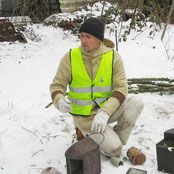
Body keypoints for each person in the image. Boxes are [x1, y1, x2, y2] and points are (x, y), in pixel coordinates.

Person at [50, 17, 144, 166]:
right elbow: (57, 85)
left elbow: (121, 88)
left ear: (99, 39)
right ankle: (98, 139)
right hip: (85, 117)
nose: (83, 41)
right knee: (115, 148)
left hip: (107, 111)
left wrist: (105, 112)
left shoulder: (113, 57)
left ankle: (113, 141)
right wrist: (59, 100)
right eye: (81, 36)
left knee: (136, 103)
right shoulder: (70, 57)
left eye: (88, 37)